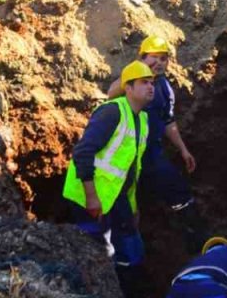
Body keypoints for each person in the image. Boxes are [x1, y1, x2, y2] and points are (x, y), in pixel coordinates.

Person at [62, 61, 156, 297]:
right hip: (89, 197)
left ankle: (127, 287)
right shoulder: (112, 112)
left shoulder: (142, 120)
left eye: (152, 83)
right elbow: (83, 152)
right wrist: (91, 197)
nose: (151, 87)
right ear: (129, 88)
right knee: (100, 254)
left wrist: (133, 208)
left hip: (116, 196)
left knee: (132, 248)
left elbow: (132, 169)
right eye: (144, 82)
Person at [105, 35, 205, 254]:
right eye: (154, 57)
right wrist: (137, 74)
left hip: (152, 153)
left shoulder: (165, 89)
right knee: (127, 206)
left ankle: (196, 242)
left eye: (164, 59)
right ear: (142, 57)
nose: (159, 63)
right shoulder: (132, 79)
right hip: (127, 155)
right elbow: (110, 93)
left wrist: (183, 149)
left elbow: (168, 121)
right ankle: (124, 253)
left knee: (178, 190)